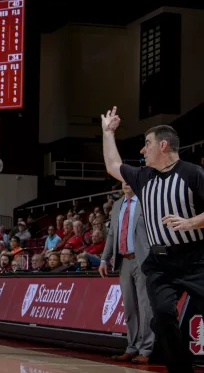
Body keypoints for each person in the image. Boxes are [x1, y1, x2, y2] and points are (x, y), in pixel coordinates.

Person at [101, 106, 204, 373]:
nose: (142, 150)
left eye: (146, 144)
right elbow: (113, 166)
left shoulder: (192, 173)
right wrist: (108, 132)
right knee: (161, 318)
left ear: (163, 145)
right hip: (159, 262)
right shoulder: (143, 177)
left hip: (195, 258)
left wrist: (192, 222)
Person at [99, 182, 154, 364]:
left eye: (129, 180)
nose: (125, 184)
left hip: (142, 260)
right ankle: (131, 347)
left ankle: (145, 349)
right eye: (123, 181)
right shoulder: (117, 205)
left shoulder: (146, 201)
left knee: (145, 307)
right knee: (129, 307)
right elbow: (112, 234)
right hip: (124, 261)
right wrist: (104, 259)